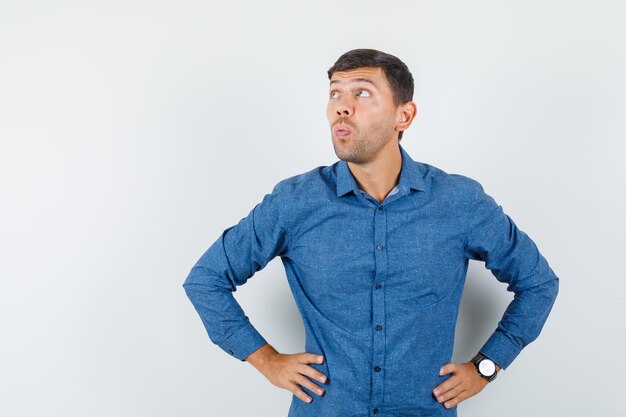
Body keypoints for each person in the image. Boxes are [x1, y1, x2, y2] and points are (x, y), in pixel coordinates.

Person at [182, 48, 559, 417]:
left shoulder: (459, 202)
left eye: (362, 92)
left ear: (404, 115)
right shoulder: (294, 203)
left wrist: (486, 367)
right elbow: (206, 280)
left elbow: (538, 283)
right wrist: (266, 361)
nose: (342, 107)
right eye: (334, 93)